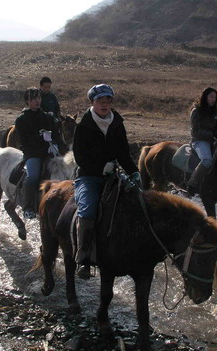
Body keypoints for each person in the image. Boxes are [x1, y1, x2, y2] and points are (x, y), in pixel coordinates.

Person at [73, 84, 141, 279]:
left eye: (108, 101)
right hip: (88, 176)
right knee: (88, 208)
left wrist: (134, 172)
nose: (104, 104)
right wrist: (99, 168)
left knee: (136, 202)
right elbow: (80, 157)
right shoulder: (83, 125)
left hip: (112, 175)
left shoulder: (117, 123)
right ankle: (83, 258)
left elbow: (123, 153)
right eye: (100, 101)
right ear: (92, 102)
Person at [15, 87, 64, 220]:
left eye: (39, 98)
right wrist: (40, 137)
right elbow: (25, 141)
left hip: (50, 152)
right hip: (33, 154)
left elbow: (57, 135)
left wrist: (58, 146)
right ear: (28, 101)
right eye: (34, 99)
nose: (37, 101)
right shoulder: (21, 120)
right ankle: (28, 207)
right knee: (33, 176)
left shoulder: (48, 117)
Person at [187, 87, 217, 195]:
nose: (213, 99)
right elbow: (195, 131)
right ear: (205, 97)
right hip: (199, 141)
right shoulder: (196, 111)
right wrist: (211, 134)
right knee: (207, 160)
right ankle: (192, 183)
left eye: (215, 97)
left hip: (213, 141)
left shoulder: (215, 111)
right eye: (211, 97)